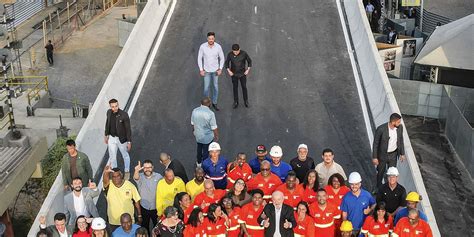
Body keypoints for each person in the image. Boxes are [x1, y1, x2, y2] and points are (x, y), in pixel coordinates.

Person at [372, 113, 405, 188]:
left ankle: (390, 189)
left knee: (392, 173)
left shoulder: (400, 128)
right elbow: (375, 143)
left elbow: (401, 140)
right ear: (393, 122)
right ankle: (378, 188)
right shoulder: (381, 129)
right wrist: (375, 157)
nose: (400, 123)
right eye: (398, 122)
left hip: (393, 155)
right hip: (382, 155)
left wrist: (402, 153)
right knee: (380, 172)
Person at [104, 99, 132, 179]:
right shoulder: (109, 112)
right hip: (112, 138)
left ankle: (126, 171)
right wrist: (106, 135)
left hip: (121, 139)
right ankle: (115, 172)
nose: (115, 108)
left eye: (116, 106)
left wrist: (129, 141)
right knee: (112, 156)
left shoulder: (124, 115)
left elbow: (128, 129)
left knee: (125, 155)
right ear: (110, 106)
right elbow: (107, 124)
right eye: (113, 106)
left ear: (118, 104)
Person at [197, 32, 225, 110]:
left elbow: (222, 58)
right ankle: (207, 104)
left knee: (215, 87)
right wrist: (201, 69)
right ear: (207, 39)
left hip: (215, 71)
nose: (211, 40)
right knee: (206, 88)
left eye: (212, 39)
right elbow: (199, 58)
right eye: (209, 39)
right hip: (206, 71)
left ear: (214, 39)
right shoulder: (202, 47)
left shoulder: (218, 47)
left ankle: (214, 103)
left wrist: (220, 68)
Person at [133, 160, 163, 232]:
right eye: (145, 168)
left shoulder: (159, 177)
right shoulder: (140, 176)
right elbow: (135, 177)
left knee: (157, 228)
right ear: (143, 168)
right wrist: (136, 170)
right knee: (145, 227)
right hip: (144, 208)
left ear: (152, 167)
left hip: (156, 208)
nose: (147, 169)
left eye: (149, 167)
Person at [191, 97, 219, 166]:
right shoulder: (210, 114)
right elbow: (214, 127)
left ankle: (199, 162)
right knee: (206, 151)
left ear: (201, 103)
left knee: (199, 148)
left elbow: (192, 123)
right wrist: (216, 136)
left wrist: (194, 131)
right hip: (207, 137)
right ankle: (205, 164)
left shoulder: (195, 111)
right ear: (209, 104)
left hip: (198, 135)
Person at [224, 43, 252, 108]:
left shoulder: (244, 53)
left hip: (242, 74)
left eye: (237, 52)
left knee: (244, 87)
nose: (235, 53)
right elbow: (226, 63)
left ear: (239, 49)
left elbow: (249, 61)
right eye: (234, 52)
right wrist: (229, 71)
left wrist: (248, 70)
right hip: (234, 74)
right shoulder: (230, 54)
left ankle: (246, 101)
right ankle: (236, 102)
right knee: (235, 88)